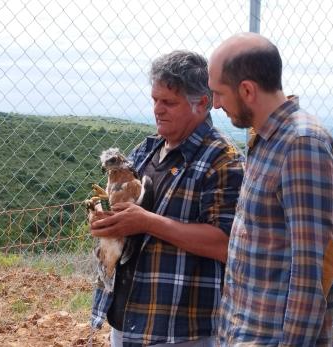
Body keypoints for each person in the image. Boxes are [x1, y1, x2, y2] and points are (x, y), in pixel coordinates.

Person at [89, 50, 244, 347]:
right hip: (127, 318)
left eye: (169, 102)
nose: (158, 110)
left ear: (202, 103)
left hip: (179, 330)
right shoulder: (146, 151)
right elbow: (128, 215)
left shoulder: (223, 161)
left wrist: (147, 222)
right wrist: (107, 221)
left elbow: (228, 244)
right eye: (155, 100)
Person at [208, 33, 333, 346]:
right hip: (242, 332)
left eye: (218, 93)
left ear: (247, 90)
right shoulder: (267, 139)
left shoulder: (302, 145)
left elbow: (311, 272)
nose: (215, 104)